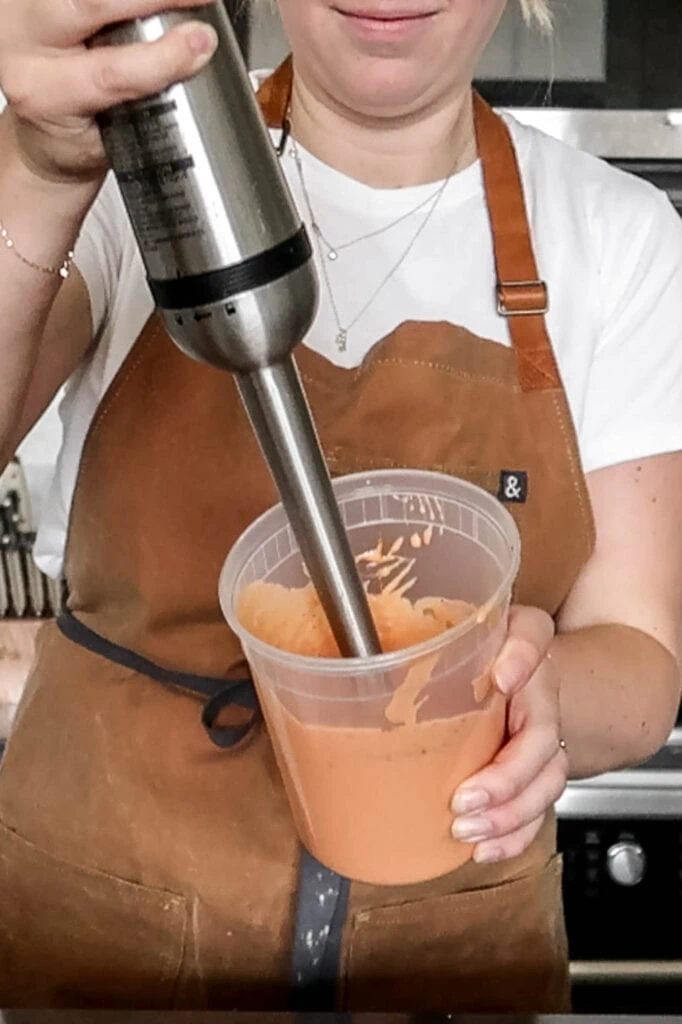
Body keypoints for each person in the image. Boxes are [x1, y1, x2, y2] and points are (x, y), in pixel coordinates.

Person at [0, 0, 681, 1011]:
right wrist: (37, 174)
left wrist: (544, 703)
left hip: (448, 960)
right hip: (107, 925)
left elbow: (636, 655)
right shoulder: (134, 184)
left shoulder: (618, 238)